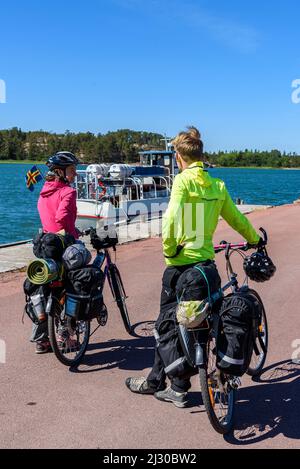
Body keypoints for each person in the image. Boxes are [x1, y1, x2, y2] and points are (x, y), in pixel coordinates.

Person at [126, 126, 262, 408]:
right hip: (206, 267)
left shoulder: (183, 182)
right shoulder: (217, 186)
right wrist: (253, 238)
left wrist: (170, 249)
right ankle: (178, 382)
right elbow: (236, 218)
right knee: (202, 321)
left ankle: (166, 384)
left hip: (180, 268)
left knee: (166, 323)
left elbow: (173, 218)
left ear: (178, 157)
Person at [31, 151, 80, 353]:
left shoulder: (44, 190)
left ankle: (41, 340)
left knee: (44, 288)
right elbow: (62, 218)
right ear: (59, 172)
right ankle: (65, 336)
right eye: (71, 170)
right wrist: (73, 233)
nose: (75, 174)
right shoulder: (68, 192)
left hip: (44, 246)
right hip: (62, 244)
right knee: (76, 285)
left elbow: (47, 217)